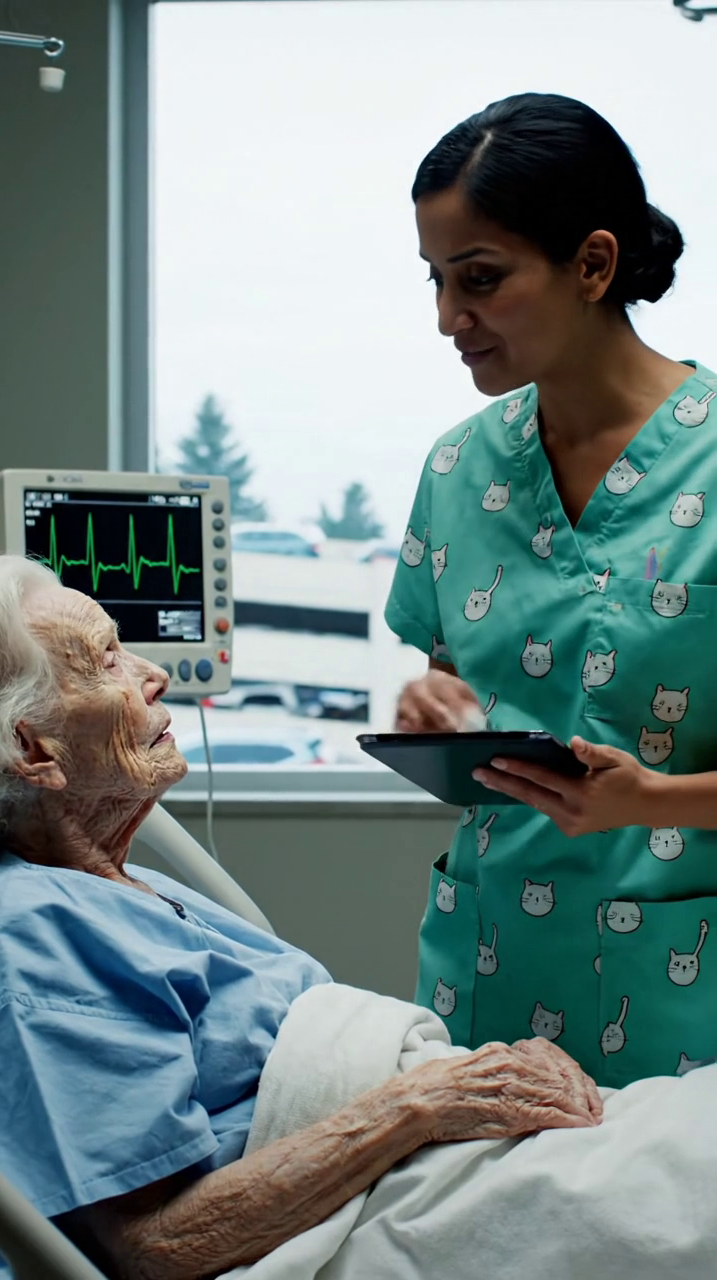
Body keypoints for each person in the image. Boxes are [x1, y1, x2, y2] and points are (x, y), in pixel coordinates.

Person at [0, 554, 601, 1280]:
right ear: (33, 750)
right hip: (375, 1204)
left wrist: (456, 1088)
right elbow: (153, 1246)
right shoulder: (36, 936)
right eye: (106, 661)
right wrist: (425, 1102)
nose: (151, 674)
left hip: (407, 1157)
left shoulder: (116, 884)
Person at [386, 91, 717, 1087]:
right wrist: (435, 706)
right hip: (487, 972)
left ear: (593, 264)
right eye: (436, 281)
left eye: (479, 278)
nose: (450, 318)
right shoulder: (455, 472)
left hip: (682, 994)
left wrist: (654, 799)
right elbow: (461, 675)